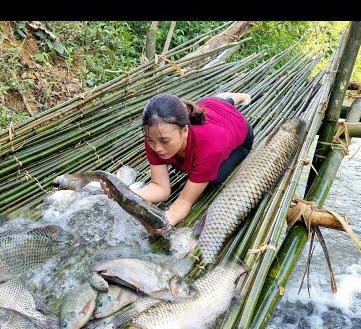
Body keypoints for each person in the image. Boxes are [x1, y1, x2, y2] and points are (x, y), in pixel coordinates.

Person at [101, 92, 254, 235]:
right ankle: (224, 99)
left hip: (236, 130)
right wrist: (121, 194)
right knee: (211, 107)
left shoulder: (209, 147)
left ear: (185, 130)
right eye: (151, 141)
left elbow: (184, 202)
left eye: (164, 141)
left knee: (215, 178)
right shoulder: (156, 136)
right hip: (208, 107)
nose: (158, 148)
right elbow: (160, 188)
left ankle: (229, 99)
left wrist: (165, 223)